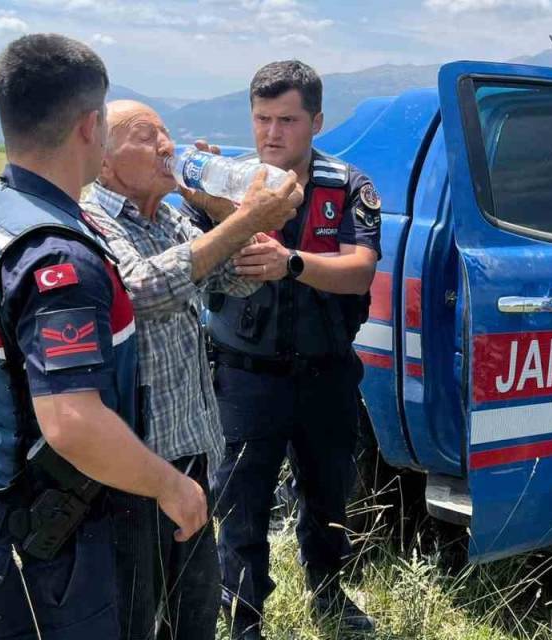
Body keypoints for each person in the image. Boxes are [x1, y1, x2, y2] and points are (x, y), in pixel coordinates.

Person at [0, 34, 211, 639]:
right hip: (53, 535)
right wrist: (172, 484)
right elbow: (73, 422)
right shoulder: (60, 256)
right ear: (90, 127)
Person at [78, 99, 301, 640]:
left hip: (191, 452)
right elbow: (140, 290)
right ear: (104, 161)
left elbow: (244, 277)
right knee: (134, 613)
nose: (166, 147)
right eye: (145, 136)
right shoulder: (90, 221)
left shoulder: (173, 218)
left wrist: (222, 209)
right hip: (131, 465)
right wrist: (246, 219)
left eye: (166, 134)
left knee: (195, 611)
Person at [185, 60, 382, 640]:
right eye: (262, 119)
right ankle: (243, 621)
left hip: (325, 373)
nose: (272, 133)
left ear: (316, 121)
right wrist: (195, 190)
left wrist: (291, 264)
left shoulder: (347, 186)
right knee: (240, 506)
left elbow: (359, 272)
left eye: (288, 120)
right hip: (246, 374)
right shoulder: (225, 181)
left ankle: (328, 595)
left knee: (327, 496)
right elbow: (186, 257)